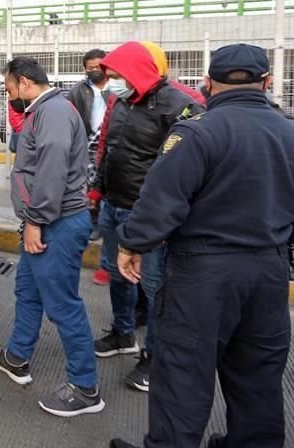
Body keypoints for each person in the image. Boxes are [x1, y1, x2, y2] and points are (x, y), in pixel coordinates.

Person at [110, 44, 293, 448]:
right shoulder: (289, 131)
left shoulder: (197, 132)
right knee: (259, 376)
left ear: (208, 84)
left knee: (183, 375)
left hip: (203, 274)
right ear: (266, 82)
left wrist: (132, 244)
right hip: (269, 270)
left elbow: (161, 200)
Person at [0, 57, 104, 418]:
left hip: (56, 223)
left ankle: (85, 388)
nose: (9, 97)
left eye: (8, 89)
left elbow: (52, 167)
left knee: (63, 305)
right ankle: (16, 357)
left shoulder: (51, 112)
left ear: (23, 82)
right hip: (48, 221)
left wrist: (35, 220)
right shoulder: (47, 110)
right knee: (28, 291)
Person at [88, 41, 205, 393]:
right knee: (118, 273)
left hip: (151, 215)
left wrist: (165, 216)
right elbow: (105, 147)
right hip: (114, 205)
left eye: (122, 72)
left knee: (155, 287)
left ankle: (156, 356)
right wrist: (97, 191)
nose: (116, 78)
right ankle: (123, 333)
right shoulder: (120, 102)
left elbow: (184, 167)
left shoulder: (182, 107)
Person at [67, 49, 113, 285]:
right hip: (87, 147)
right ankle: (93, 223)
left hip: (111, 149)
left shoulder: (119, 90)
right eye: (89, 66)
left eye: (98, 65)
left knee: (104, 190)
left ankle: (102, 227)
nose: (94, 69)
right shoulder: (79, 90)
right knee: (88, 188)